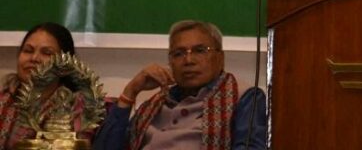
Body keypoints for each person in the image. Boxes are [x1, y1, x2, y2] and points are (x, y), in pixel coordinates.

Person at [92, 19, 266, 150]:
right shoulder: (154, 105)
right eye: (178, 53)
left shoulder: (244, 97)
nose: (188, 60)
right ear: (170, 62)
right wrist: (130, 91)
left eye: (199, 51)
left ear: (220, 58)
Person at [0, 22, 77, 149]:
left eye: (47, 53)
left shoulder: (77, 112)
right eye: (28, 51)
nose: (34, 58)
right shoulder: (4, 101)